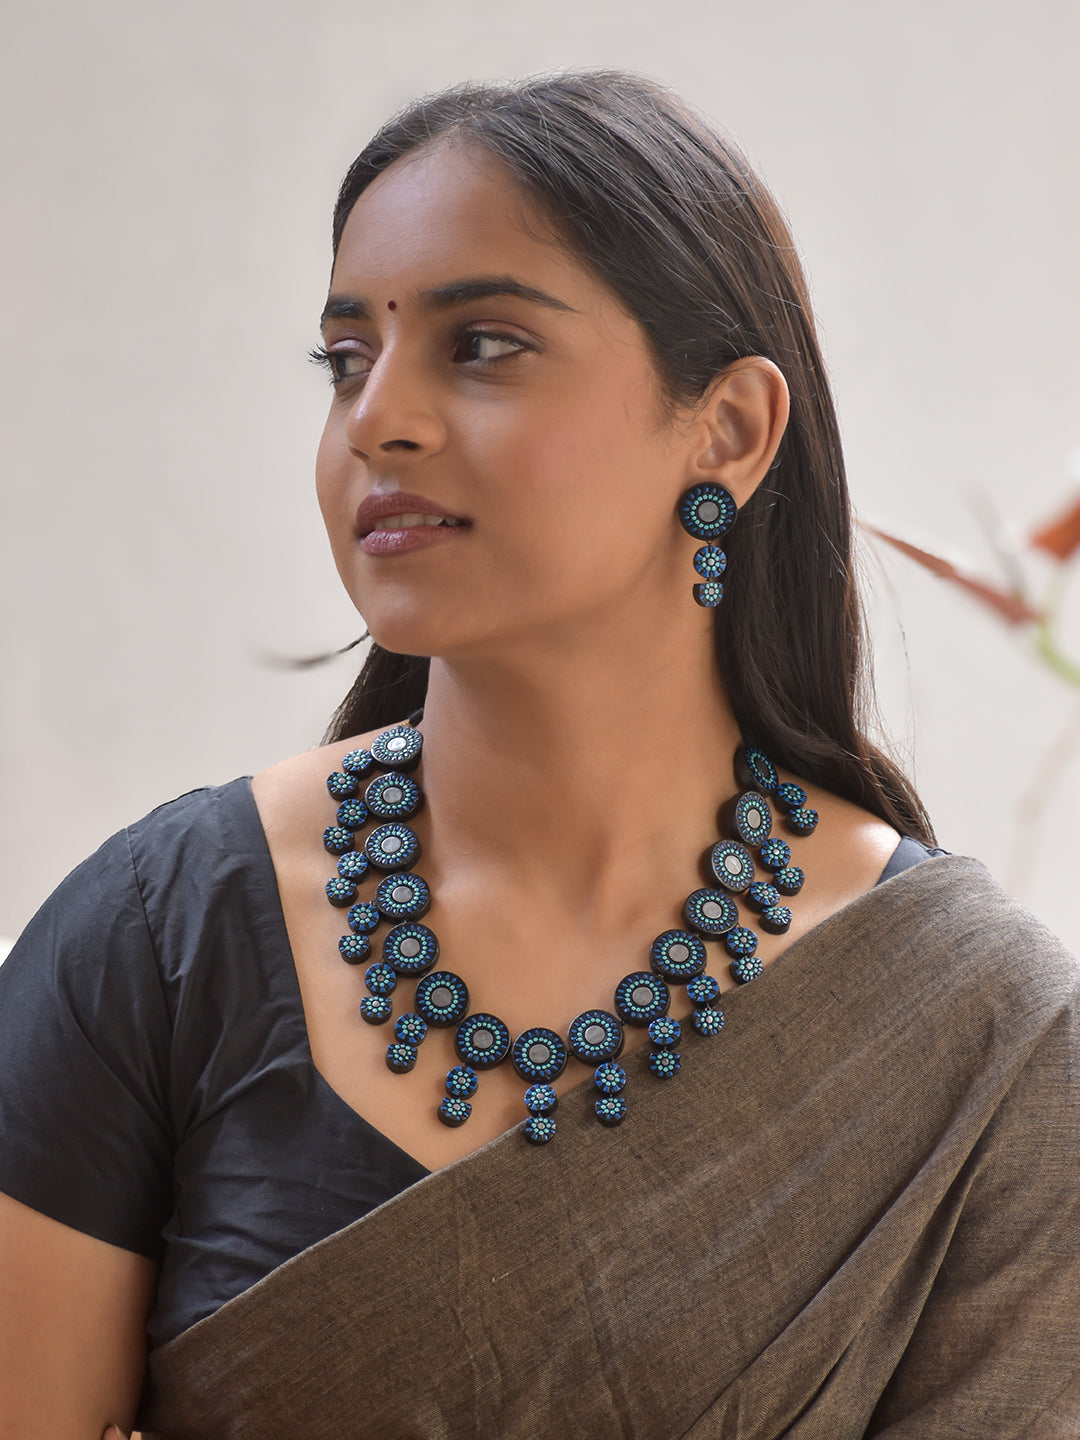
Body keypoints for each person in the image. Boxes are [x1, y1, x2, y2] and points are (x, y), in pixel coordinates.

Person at [1, 71, 1077, 1440]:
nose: (377, 419)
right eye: (346, 361)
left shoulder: (986, 1040)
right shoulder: (166, 939)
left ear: (730, 430)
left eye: (485, 345)